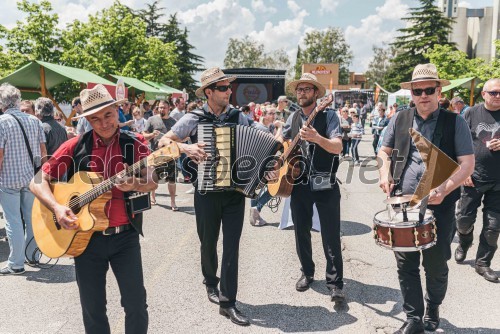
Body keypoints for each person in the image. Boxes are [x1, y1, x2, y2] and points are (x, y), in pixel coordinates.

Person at [30, 84, 158, 333]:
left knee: (136, 306)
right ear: (87, 119)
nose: (104, 123)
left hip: (125, 238)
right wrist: (57, 207)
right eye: (95, 119)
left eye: (108, 115)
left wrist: (135, 183)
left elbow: (152, 181)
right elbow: (36, 181)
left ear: (116, 110)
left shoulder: (136, 143)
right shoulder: (76, 145)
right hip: (86, 240)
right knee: (93, 309)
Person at [377, 63, 475, 334]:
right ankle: (413, 317)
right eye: (417, 90)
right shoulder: (400, 118)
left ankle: (433, 308)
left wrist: (444, 188)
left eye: (429, 90)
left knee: (435, 263)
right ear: (411, 93)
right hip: (403, 203)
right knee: (405, 261)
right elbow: (384, 152)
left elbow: (467, 163)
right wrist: (384, 172)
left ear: (439, 91)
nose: (423, 95)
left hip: (440, 204)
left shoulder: (455, 121)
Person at [159, 67, 251, 326]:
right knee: (208, 242)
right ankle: (211, 281)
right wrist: (185, 146)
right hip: (206, 192)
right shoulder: (194, 118)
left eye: (228, 87)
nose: (228, 91)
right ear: (209, 93)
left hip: (234, 192)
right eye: (223, 88)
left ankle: (228, 302)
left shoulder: (237, 116)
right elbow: (163, 142)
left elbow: (254, 143)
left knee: (232, 246)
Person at [279, 73, 345, 303]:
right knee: (301, 231)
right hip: (298, 183)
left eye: (307, 89)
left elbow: (337, 147)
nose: (302, 92)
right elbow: (281, 139)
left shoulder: (329, 116)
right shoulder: (294, 117)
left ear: (317, 94)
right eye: (299, 89)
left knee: (330, 234)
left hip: (326, 181)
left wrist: (318, 139)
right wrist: (279, 157)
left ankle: (335, 283)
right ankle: (307, 272)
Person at [455, 78, 500, 283]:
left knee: (493, 227)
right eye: (494, 93)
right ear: (484, 94)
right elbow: (457, 143)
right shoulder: (470, 113)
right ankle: (464, 243)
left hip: (498, 182)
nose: (498, 96)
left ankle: (483, 264)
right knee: (464, 221)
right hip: (473, 178)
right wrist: (462, 172)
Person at [0, 83, 47, 274]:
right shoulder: (34, 120)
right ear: (18, 100)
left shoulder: (1, 122)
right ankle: (33, 256)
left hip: (8, 179)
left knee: (13, 220)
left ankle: (16, 263)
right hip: (32, 178)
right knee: (31, 217)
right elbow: (43, 152)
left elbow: (0, 156)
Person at [249, 106, 283, 226]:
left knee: (257, 190)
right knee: (272, 190)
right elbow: (276, 142)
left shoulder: (269, 127)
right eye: (271, 113)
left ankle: (255, 213)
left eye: (275, 113)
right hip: (260, 164)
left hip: (262, 162)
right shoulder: (260, 127)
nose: (274, 115)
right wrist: (280, 128)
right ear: (263, 114)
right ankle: (256, 209)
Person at [142, 100, 178, 210]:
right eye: (160, 107)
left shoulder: (173, 121)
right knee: (153, 178)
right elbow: (144, 135)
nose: (161, 109)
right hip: (155, 154)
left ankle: (173, 202)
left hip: (170, 155)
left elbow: (179, 136)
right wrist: (152, 134)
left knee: (172, 180)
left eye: (164, 108)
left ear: (169, 108)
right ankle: (153, 198)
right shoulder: (151, 119)